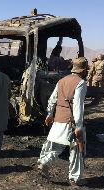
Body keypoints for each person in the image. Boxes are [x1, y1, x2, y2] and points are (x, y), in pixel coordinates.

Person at [37, 57, 88, 186]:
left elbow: (52, 99)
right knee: (76, 150)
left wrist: (49, 114)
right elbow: (78, 106)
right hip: (71, 122)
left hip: (58, 119)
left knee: (57, 146)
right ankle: (75, 178)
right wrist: (79, 126)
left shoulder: (61, 80)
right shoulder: (80, 83)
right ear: (83, 70)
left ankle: (45, 162)